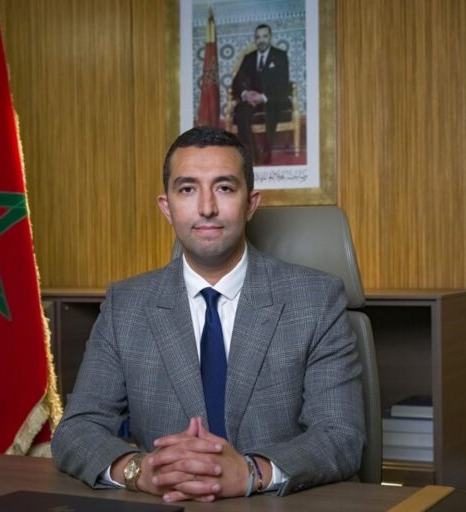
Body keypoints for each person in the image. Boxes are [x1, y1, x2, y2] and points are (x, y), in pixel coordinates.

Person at [51, 126, 364, 502]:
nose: (206, 208)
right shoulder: (126, 306)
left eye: (225, 188)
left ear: (251, 203)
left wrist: (250, 472)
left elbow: (340, 435)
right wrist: (140, 471)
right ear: (167, 207)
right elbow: (77, 429)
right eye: (187, 189)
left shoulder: (315, 299)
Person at [232, 24, 291, 164]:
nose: (261, 40)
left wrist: (263, 97)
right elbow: (237, 82)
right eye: (258, 37)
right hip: (252, 101)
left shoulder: (280, 56)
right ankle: (251, 153)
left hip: (272, 99)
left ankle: (266, 152)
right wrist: (246, 94)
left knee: (271, 107)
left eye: (265, 36)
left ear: (270, 38)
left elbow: (283, 84)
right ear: (255, 40)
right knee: (240, 109)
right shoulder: (249, 58)